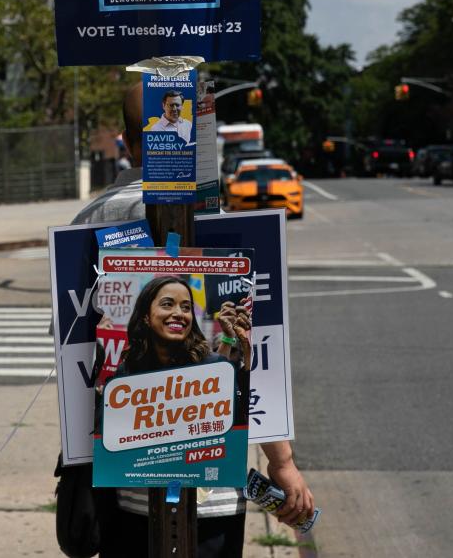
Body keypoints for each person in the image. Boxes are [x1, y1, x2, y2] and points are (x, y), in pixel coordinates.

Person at [74, 85, 315, 557]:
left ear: (126, 140)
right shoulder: (222, 222)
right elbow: (259, 363)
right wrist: (281, 462)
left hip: (120, 484)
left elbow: (75, 361)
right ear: (200, 139)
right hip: (216, 490)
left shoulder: (93, 221)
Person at [95, 275, 254, 557]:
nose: (178, 313)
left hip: (212, 513)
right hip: (137, 511)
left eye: (185, 306)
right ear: (145, 315)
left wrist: (245, 363)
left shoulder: (216, 366)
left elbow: (243, 423)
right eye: (167, 304)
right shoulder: (125, 373)